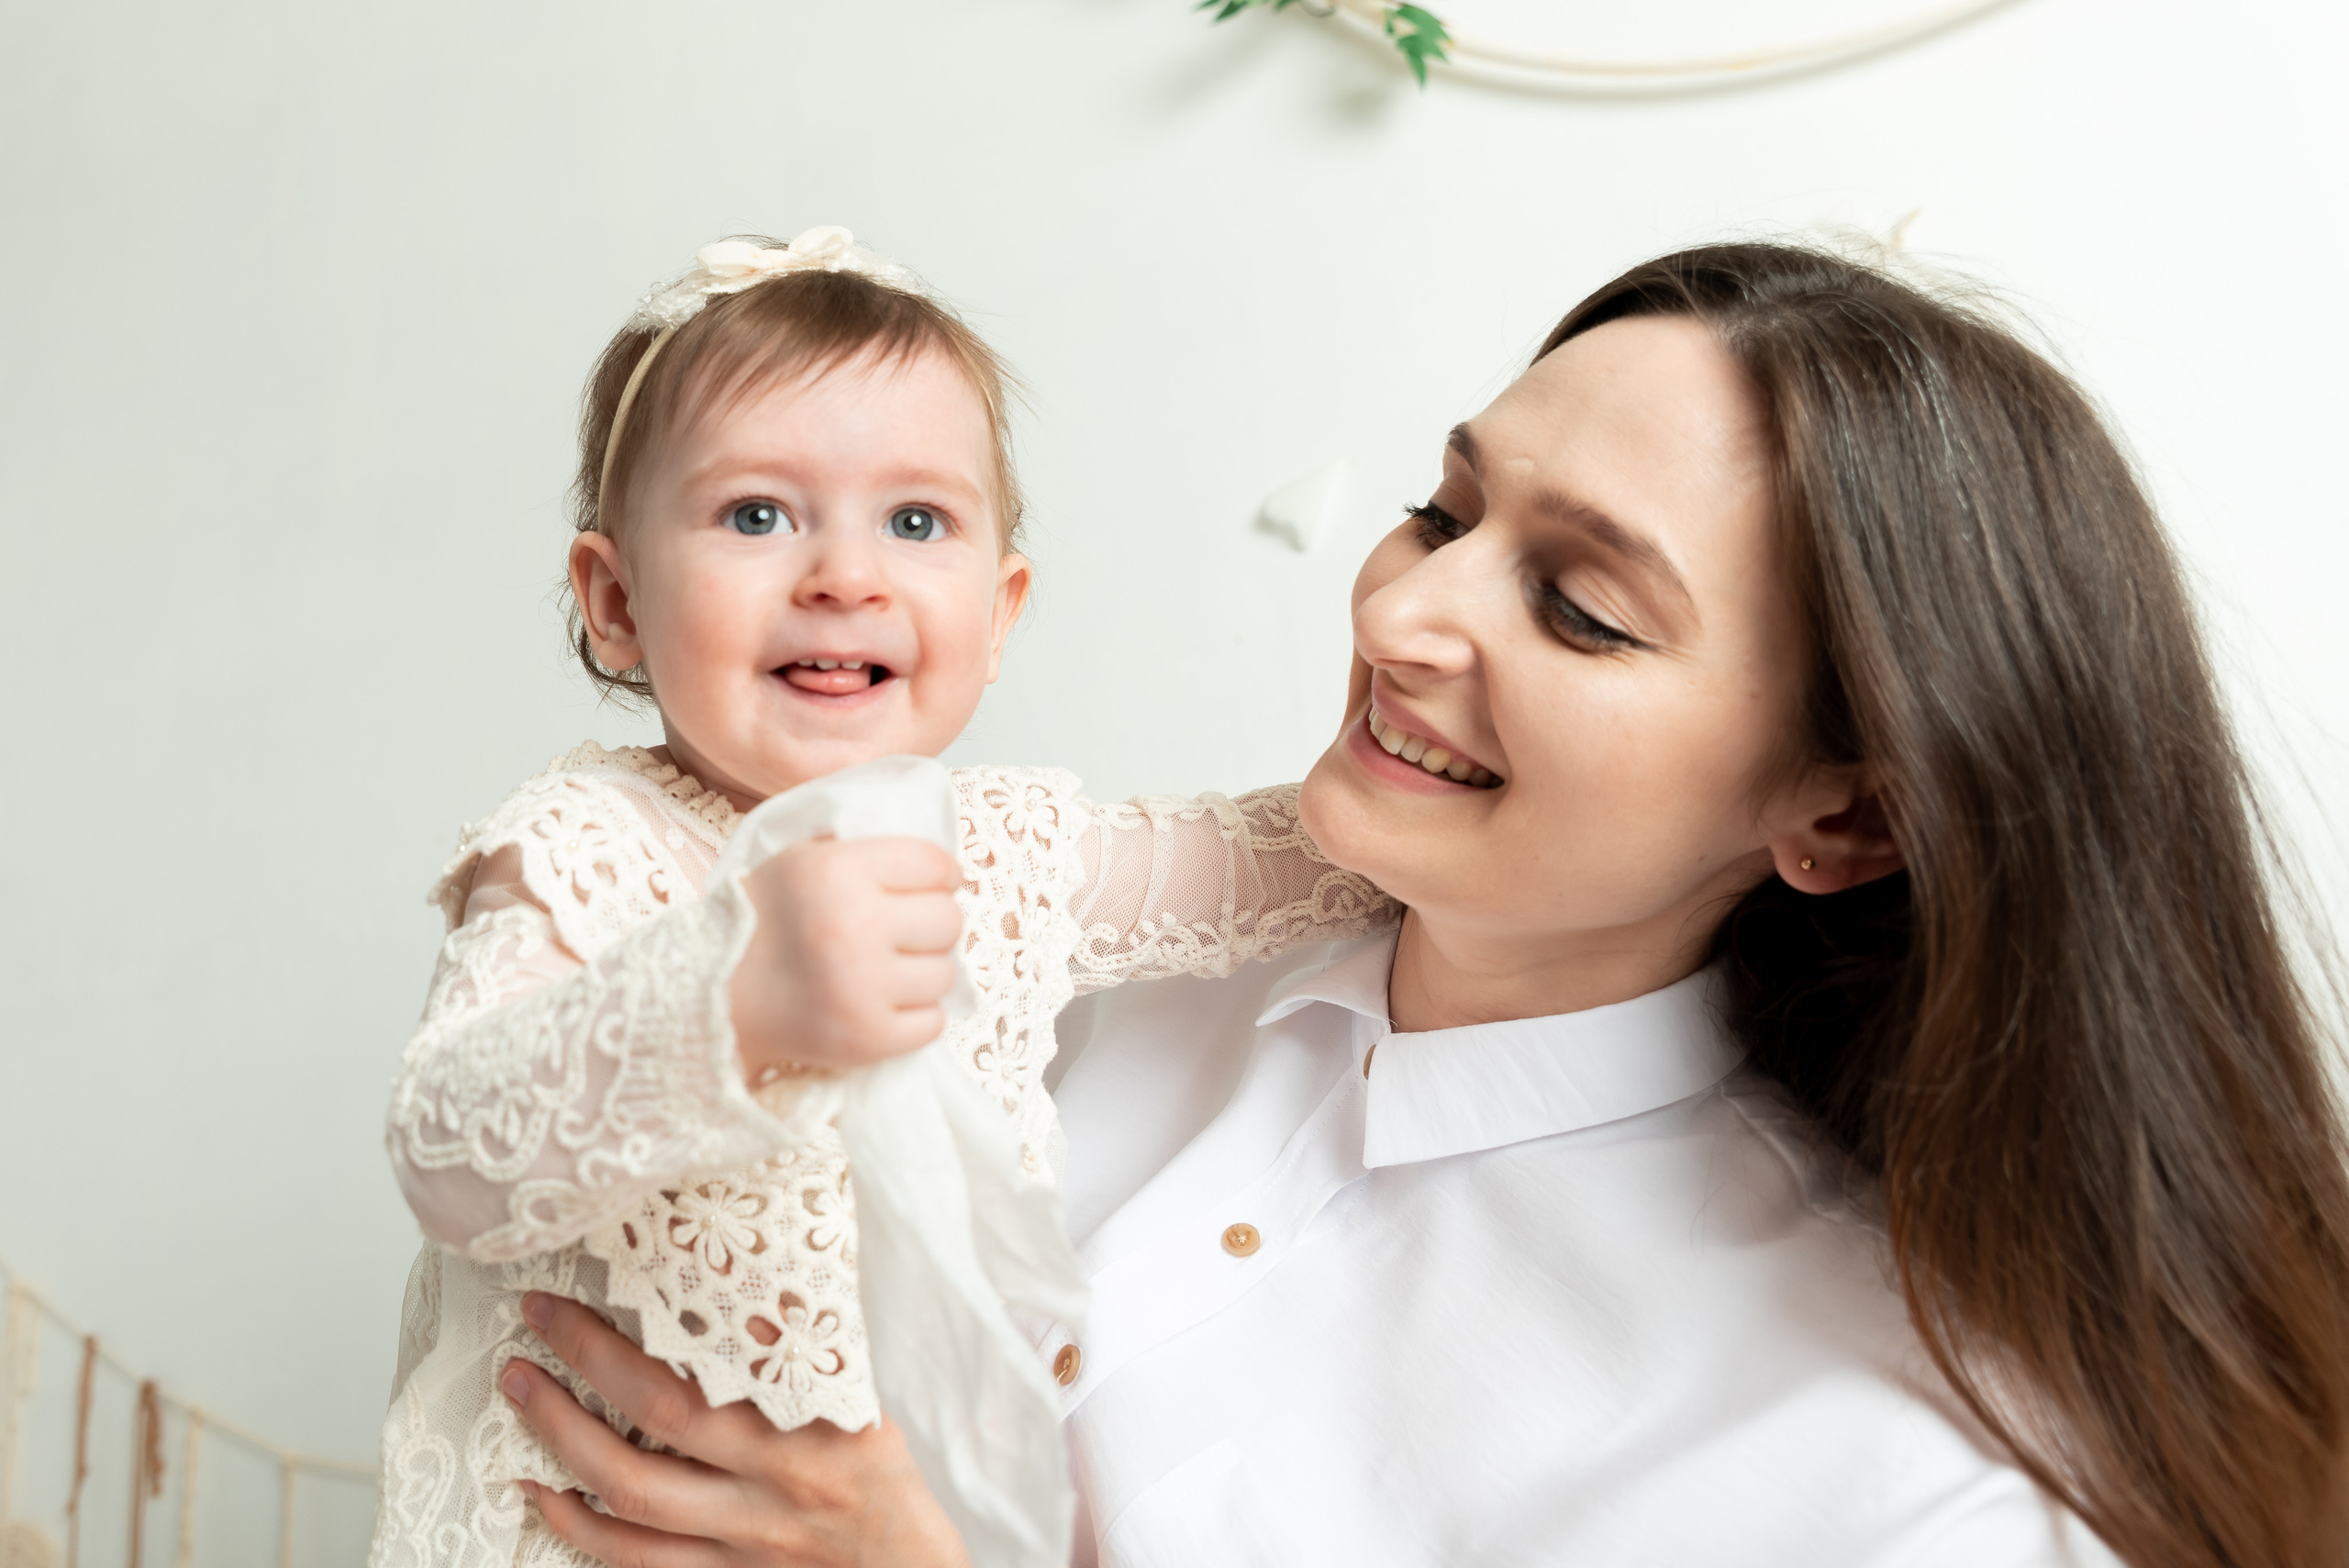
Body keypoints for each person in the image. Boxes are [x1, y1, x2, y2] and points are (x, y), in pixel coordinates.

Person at [486, 240, 2349, 1568]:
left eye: (1582, 610)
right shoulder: (1051, 962)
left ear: (1844, 812)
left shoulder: (1889, 1474)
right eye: (1445, 514)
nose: (1396, 612)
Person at [372, 228, 1396, 1568]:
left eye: (916, 523)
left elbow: (1281, 864)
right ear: (615, 601)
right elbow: (446, 1147)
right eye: (757, 515)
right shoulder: (583, 845)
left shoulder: (1000, 853)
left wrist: (1487, 782)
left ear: (1001, 610)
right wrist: (731, 999)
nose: (846, 576)